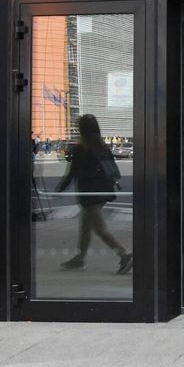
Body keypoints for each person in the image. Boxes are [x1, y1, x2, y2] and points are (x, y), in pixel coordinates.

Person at [56, 114, 132, 273]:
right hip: (103, 191)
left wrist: (59, 189)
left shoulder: (81, 149)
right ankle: (80, 258)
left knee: (99, 228)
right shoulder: (102, 147)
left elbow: (71, 174)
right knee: (85, 226)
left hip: (90, 194)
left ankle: (124, 255)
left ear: (81, 130)